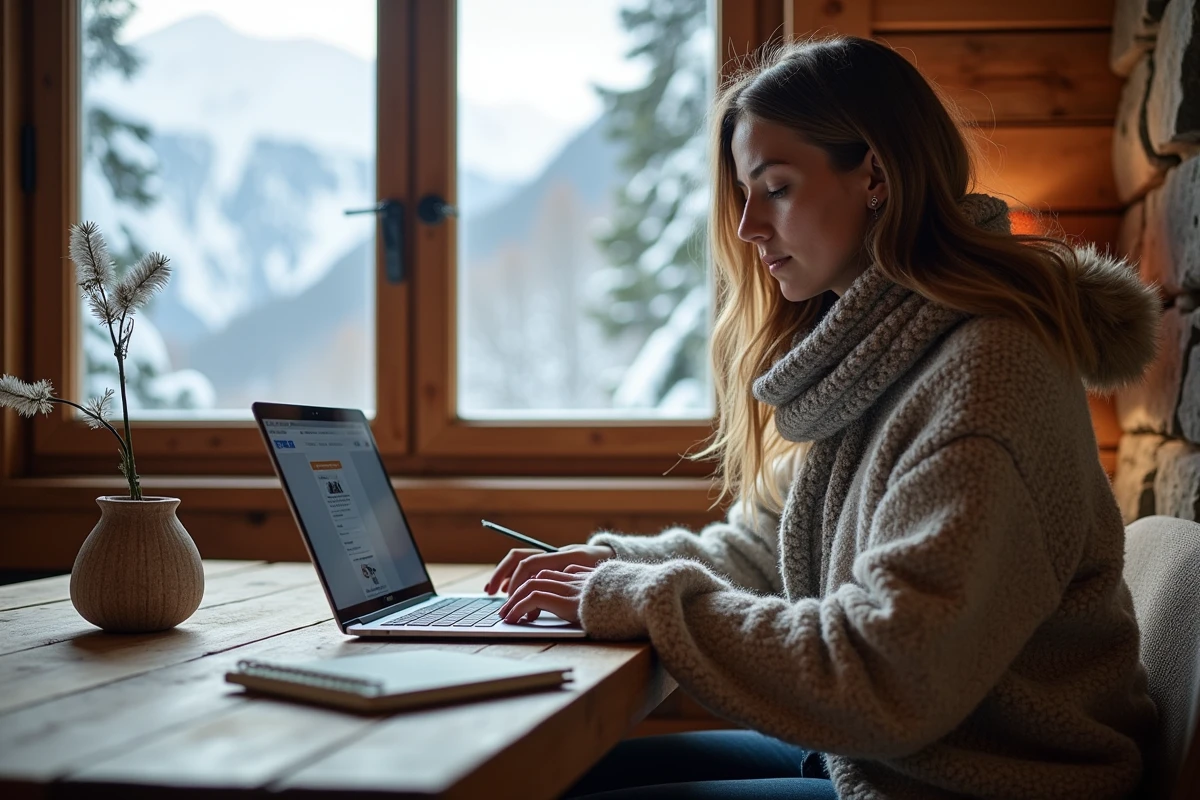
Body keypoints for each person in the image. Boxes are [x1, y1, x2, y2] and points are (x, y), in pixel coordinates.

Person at [484, 35, 1160, 800]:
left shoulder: (985, 379)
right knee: (549, 778)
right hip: (889, 759)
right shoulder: (889, 350)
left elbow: (886, 675)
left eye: (774, 188)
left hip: (976, 785)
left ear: (875, 175)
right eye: (744, 194)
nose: (747, 227)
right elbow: (775, 550)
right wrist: (608, 568)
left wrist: (641, 599)